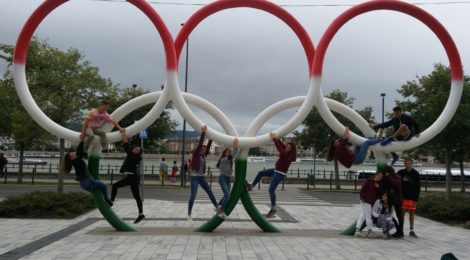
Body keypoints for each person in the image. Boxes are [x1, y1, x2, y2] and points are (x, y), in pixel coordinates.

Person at [247, 132, 297, 218]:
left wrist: (274, 139)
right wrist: (277, 139)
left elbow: (280, 148)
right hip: (276, 171)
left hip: (279, 174)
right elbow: (282, 146)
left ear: (291, 149)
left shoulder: (287, 154)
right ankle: (252, 186)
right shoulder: (287, 151)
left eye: (289, 147)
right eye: (287, 146)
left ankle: (273, 209)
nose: (287, 147)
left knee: (271, 190)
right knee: (261, 173)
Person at [64, 138, 113, 207]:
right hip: (88, 182)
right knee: (103, 186)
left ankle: (104, 203)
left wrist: (83, 141)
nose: (74, 154)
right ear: (71, 159)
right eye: (72, 155)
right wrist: (82, 140)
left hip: (84, 184)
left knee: (97, 193)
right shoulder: (78, 161)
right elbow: (80, 150)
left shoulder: (75, 162)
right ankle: (106, 198)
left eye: (72, 153)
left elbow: (79, 152)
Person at [187, 125, 220, 222]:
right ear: (200, 149)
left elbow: (208, 145)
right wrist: (204, 133)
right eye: (202, 149)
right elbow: (201, 142)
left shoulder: (204, 155)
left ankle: (217, 207)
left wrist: (211, 138)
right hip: (194, 177)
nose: (204, 150)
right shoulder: (196, 153)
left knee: (210, 192)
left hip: (201, 177)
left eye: (205, 149)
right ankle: (189, 214)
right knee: (193, 195)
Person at [110, 133, 145, 224]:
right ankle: (141, 214)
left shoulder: (135, 156)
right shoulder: (133, 156)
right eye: (135, 148)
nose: (135, 149)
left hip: (133, 179)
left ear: (138, 152)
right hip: (131, 177)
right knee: (135, 196)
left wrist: (123, 133)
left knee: (135, 196)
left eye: (138, 149)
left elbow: (126, 144)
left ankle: (111, 201)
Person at [355, 171, 384, 238]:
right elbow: (363, 189)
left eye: (381, 177)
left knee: (362, 215)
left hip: (370, 202)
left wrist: (378, 187)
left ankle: (357, 231)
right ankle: (369, 231)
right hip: (365, 201)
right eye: (379, 176)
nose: (380, 178)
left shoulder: (377, 184)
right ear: (375, 175)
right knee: (368, 216)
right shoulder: (368, 181)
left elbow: (379, 194)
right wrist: (362, 197)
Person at [397, 158, 421, 238]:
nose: (408, 165)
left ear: (412, 164)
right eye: (406, 163)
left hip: (412, 197)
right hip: (403, 197)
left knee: (412, 213)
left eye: (409, 163)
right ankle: (401, 230)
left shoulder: (416, 173)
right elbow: (396, 184)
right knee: (402, 213)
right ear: (404, 164)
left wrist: (416, 199)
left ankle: (411, 230)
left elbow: (418, 187)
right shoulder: (400, 173)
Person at [381, 165, 404, 238]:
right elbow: (384, 186)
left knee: (399, 215)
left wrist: (389, 177)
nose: (386, 174)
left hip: (397, 199)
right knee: (389, 214)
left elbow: (397, 185)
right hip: (390, 198)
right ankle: (398, 230)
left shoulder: (397, 177)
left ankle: (400, 231)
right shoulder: (386, 177)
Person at [216, 148, 234, 217]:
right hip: (222, 178)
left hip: (227, 179)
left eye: (229, 152)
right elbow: (234, 155)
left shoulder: (229, 160)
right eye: (227, 152)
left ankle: (219, 206)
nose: (228, 153)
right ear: (224, 153)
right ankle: (221, 211)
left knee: (226, 195)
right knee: (227, 195)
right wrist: (235, 146)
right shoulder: (224, 159)